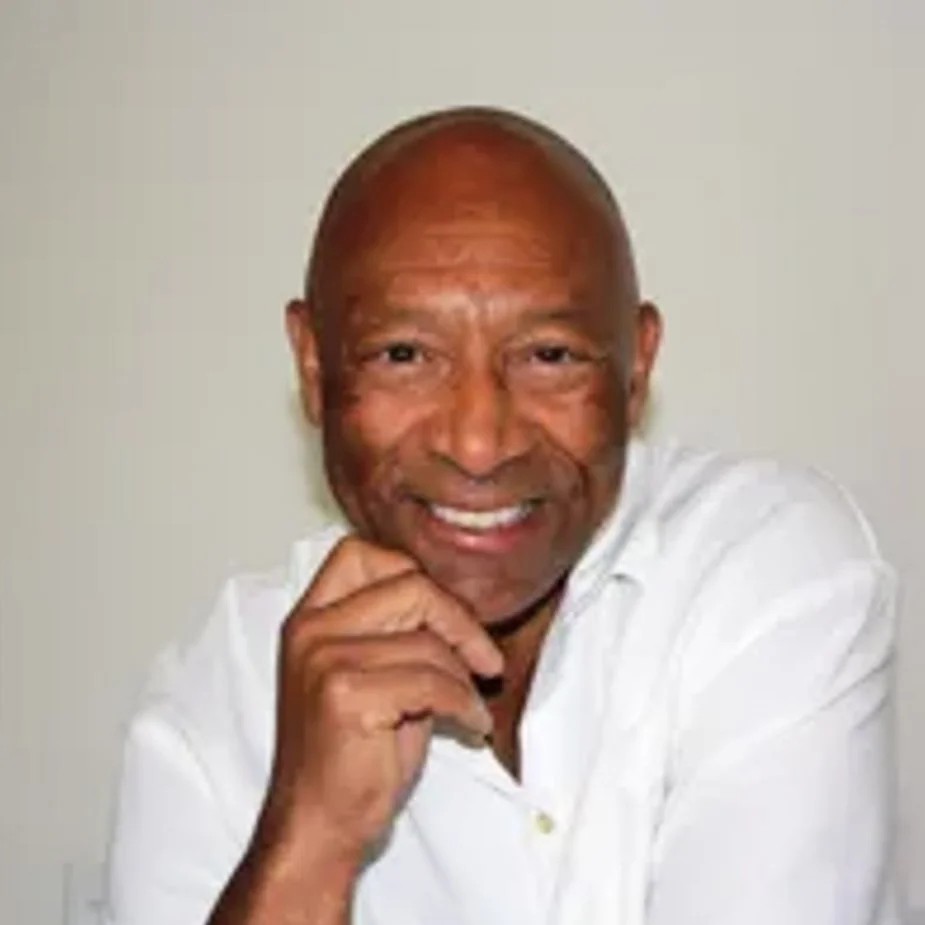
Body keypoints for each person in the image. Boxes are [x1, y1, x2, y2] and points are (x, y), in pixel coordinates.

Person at [103, 107, 900, 925]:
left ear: (635, 370)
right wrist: (308, 840)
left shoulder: (763, 573)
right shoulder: (218, 692)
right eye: (404, 355)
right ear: (313, 367)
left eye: (548, 356)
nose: (479, 444)